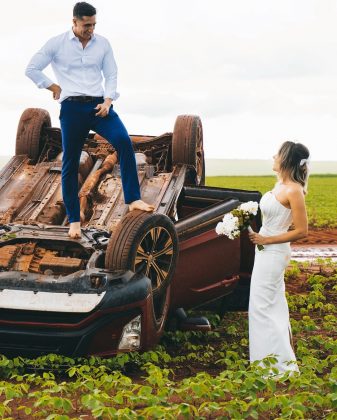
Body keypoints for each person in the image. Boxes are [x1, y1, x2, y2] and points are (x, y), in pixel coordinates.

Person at [25, 1, 154, 239]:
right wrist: (52, 85)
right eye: (86, 25)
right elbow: (32, 68)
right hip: (72, 109)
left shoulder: (102, 43)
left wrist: (108, 100)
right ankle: (74, 220)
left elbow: (111, 74)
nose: (90, 30)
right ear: (74, 22)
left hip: (99, 107)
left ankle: (133, 199)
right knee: (70, 163)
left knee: (124, 142)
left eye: (94, 25)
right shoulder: (56, 44)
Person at [248, 141, 310, 376]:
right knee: (265, 306)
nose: (273, 156)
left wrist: (266, 240)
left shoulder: (294, 190)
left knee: (263, 307)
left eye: (277, 154)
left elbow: (302, 231)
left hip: (274, 252)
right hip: (263, 251)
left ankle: (276, 368)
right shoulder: (279, 185)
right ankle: (268, 362)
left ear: (285, 159)